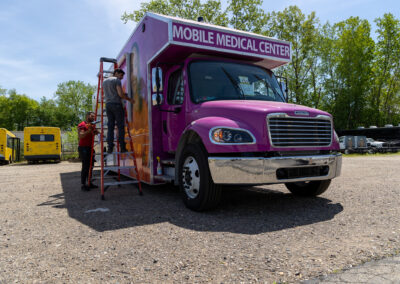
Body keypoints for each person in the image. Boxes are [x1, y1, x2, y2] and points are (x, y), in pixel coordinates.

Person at [103, 68, 135, 153]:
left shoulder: (105, 81)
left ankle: (110, 147)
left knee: (110, 126)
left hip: (108, 105)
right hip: (116, 104)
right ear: (116, 73)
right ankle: (123, 147)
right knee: (120, 126)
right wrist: (130, 99)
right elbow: (120, 94)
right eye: (121, 76)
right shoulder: (116, 80)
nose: (121, 78)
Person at [78, 111, 99, 191]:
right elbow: (81, 136)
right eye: (92, 116)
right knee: (85, 166)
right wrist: (89, 131)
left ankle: (89, 183)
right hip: (83, 148)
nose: (94, 117)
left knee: (91, 166)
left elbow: (95, 132)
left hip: (90, 148)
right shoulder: (82, 125)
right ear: (87, 116)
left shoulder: (92, 125)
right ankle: (83, 184)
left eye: (94, 116)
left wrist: (97, 133)